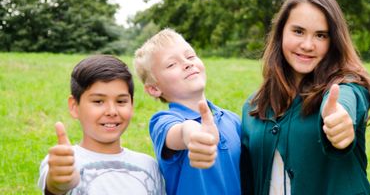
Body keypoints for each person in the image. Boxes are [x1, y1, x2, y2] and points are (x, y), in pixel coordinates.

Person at [240, 0, 370, 195]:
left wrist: (339, 118)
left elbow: (344, 100)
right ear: (280, 33)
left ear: (334, 41)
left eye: (321, 35)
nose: (307, 45)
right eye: (298, 31)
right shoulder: (254, 106)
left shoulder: (349, 86)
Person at [133, 29, 241, 195]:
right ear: (154, 88)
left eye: (190, 56)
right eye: (171, 64)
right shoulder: (163, 121)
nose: (187, 63)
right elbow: (180, 132)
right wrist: (191, 132)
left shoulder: (232, 120)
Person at [38, 55, 165, 194]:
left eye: (121, 101)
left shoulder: (149, 166)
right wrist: (59, 184)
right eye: (98, 101)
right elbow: (55, 186)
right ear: (74, 106)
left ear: (132, 105)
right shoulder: (65, 161)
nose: (112, 111)